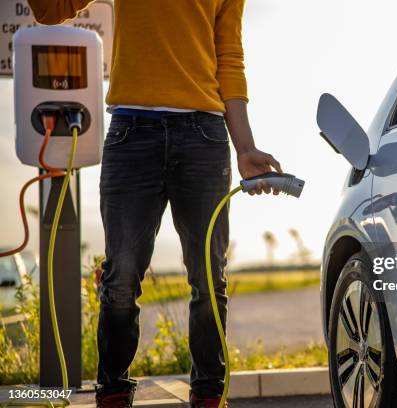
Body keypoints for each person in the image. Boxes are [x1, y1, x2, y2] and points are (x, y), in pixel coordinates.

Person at [28, 1, 282, 407]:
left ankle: (208, 395)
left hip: (205, 136)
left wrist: (246, 146)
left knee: (208, 279)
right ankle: (112, 392)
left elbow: (229, 58)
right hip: (132, 133)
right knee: (122, 277)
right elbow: (49, 10)